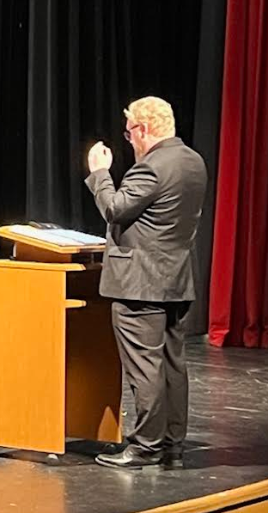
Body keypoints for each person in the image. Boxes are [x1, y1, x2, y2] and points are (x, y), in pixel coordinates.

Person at [86, 96, 207, 469]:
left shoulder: (152, 167)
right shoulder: (193, 161)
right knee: (172, 363)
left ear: (143, 129)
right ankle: (172, 442)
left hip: (140, 283)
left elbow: (115, 208)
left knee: (145, 366)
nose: (129, 140)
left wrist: (99, 173)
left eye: (129, 133)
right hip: (175, 279)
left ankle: (145, 446)